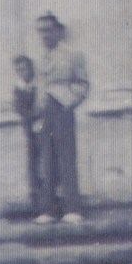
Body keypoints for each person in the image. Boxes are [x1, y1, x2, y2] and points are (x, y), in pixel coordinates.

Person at [34, 13, 89, 224]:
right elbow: (40, 87)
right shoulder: (40, 58)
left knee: (66, 158)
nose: (44, 35)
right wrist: (38, 113)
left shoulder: (73, 54)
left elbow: (82, 84)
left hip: (62, 109)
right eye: (41, 31)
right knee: (46, 160)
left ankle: (72, 208)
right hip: (44, 112)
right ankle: (48, 210)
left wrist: (67, 101)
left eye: (48, 30)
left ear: (58, 31)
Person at [12, 55, 41, 210]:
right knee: (32, 161)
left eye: (23, 68)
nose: (21, 72)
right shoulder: (18, 89)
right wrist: (31, 117)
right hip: (29, 129)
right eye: (18, 70)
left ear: (30, 68)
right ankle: (36, 200)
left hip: (45, 126)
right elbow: (18, 108)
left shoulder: (39, 86)